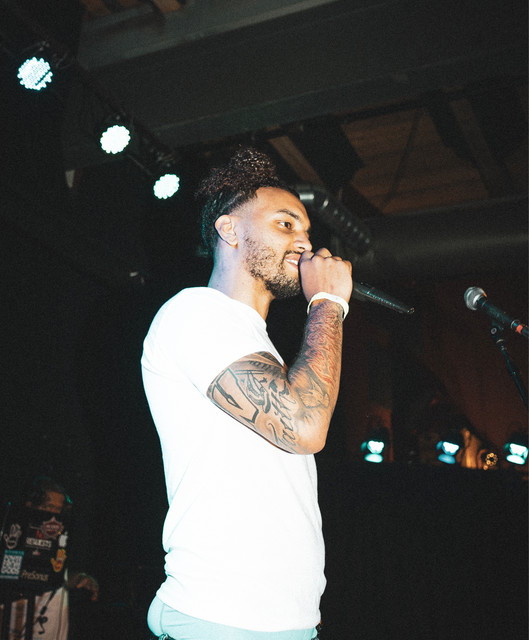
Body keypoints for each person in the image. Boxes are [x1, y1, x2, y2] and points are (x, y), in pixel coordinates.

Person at [141, 147, 353, 640]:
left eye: (306, 230)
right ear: (230, 230)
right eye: (285, 224)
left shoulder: (258, 346)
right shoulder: (195, 314)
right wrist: (327, 301)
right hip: (222, 618)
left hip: (283, 622)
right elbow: (304, 425)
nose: (304, 242)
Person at [0, 476, 98, 640]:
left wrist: (80, 579)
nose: (55, 515)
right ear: (30, 506)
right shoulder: (12, 537)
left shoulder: (62, 539)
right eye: (50, 507)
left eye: (59, 510)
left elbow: (58, 576)